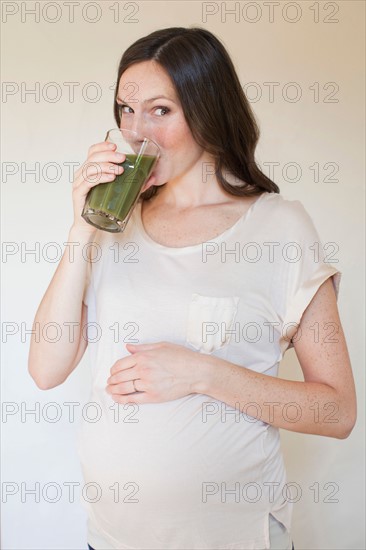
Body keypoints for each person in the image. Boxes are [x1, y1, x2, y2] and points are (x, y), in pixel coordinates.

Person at [28, 27, 356, 550]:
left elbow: (336, 413)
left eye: (161, 110)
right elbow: (46, 370)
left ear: (207, 111)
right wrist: (80, 231)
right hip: (111, 539)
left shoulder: (280, 228)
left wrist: (200, 372)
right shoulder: (113, 223)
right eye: (126, 110)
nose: (137, 133)